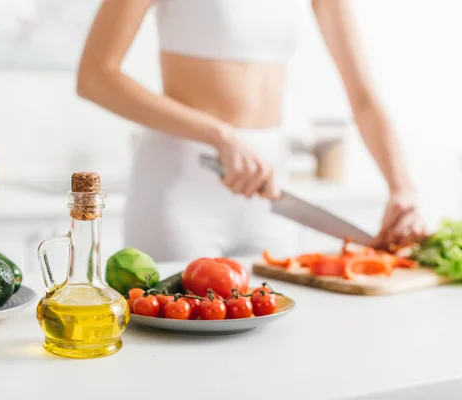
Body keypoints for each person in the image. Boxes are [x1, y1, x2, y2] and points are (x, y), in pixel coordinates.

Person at [76, 0, 426, 262]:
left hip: (269, 192)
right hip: (180, 190)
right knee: (175, 340)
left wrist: (402, 187)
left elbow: (363, 98)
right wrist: (218, 134)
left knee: (272, 345)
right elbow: (95, 77)